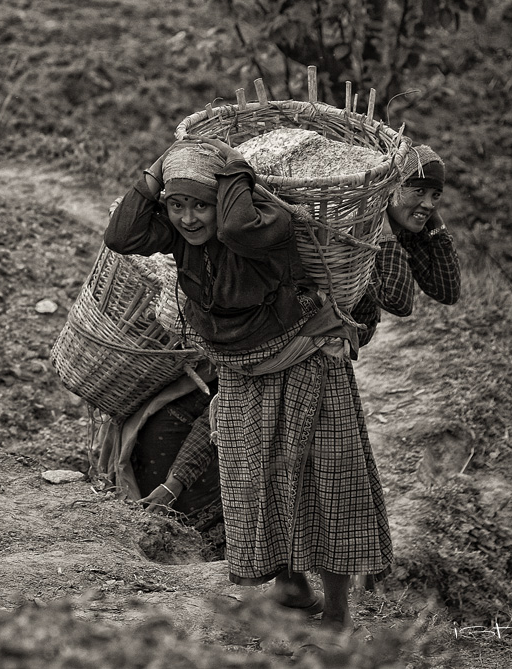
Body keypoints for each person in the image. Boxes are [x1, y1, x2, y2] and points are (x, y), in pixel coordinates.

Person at [104, 138, 392, 632]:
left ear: (226, 199)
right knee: (252, 478)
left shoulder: (268, 227)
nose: (189, 219)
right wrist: (158, 169)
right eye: (177, 206)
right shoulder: (180, 239)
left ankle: (340, 613)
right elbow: (121, 234)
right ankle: (291, 588)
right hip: (241, 368)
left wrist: (231, 166)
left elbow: (237, 224)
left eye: (201, 205)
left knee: (324, 480)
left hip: (304, 357)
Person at [95, 363, 224, 556]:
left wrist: (172, 485)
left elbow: (210, 424)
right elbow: (210, 423)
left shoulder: (217, 370)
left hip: (175, 475)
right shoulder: (190, 363)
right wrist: (172, 487)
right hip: (157, 469)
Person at [351, 144, 461, 348]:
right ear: (392, 189)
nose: (429, 204)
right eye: (419, 191)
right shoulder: (359, 235)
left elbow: (447, 291)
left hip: (345, 344)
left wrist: (437, 226)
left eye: (435, 195)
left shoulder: (408, 232)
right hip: (312, 345)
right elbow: (398, 302)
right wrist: (385, 236)